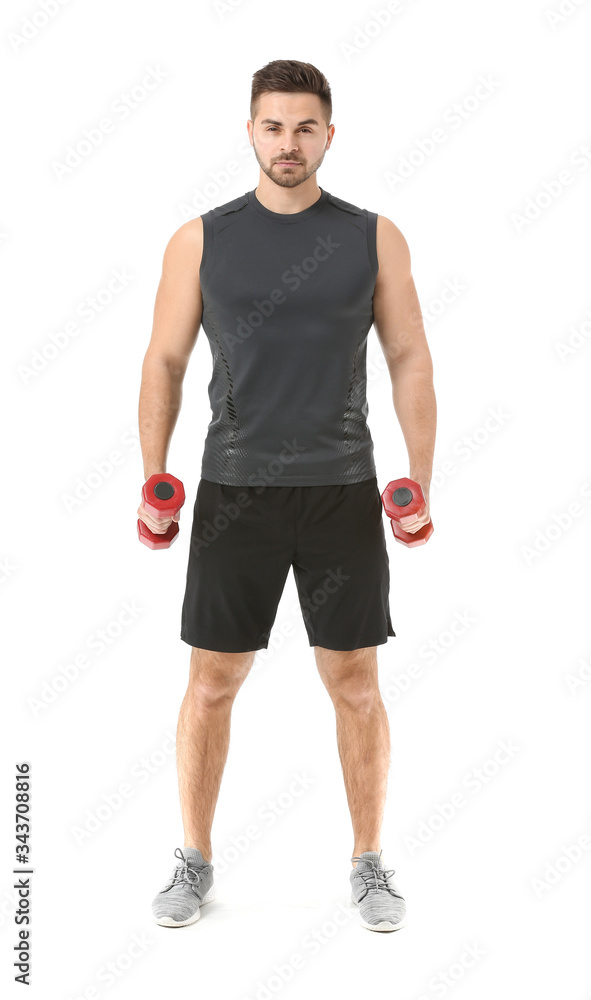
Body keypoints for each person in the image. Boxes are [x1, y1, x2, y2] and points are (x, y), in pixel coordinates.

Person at [138, 59, 436, 933]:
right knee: (212, 680)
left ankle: (369, 863)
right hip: (235, 489)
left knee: (353, 680)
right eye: (273, 126)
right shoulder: (202, 238)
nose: (288, 143)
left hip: (341, 491)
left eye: (305, 127)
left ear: (328, 136)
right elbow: (163, 358)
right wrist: (154, 478)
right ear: (250, 131)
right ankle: (192, 861)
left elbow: (409, 356)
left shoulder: (373, 237)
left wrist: (417, 475)